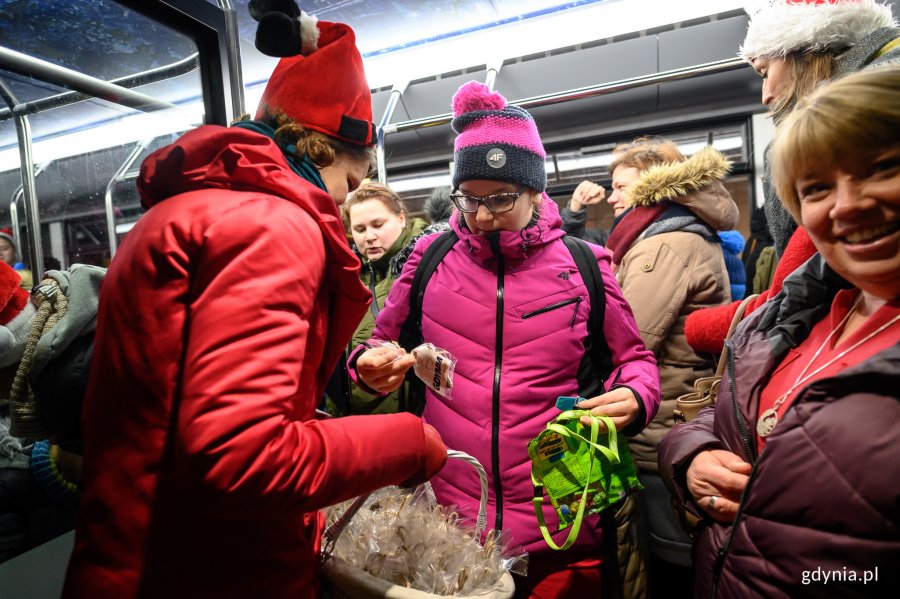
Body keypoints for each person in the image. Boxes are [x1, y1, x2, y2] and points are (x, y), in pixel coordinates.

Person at [62, 11, 447, 599]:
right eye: (350, 181)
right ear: (325, 148)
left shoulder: (185, 210)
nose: (343, 207)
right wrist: (407, 441)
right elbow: (241, 460)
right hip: (216, 569)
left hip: (139, 548)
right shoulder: (270, 226)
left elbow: (183, 409)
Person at [350, 80, 661, 598]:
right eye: (468, 200)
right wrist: (367, 365)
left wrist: (635, 396)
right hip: (454, 521)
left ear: (536, 191)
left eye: (501, 198)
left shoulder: (583, 265)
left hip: (561, 519)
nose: (484, 214)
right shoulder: (429, 261)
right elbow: (377, 343)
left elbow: (635, 361)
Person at [660, 65, 900, 598]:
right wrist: (692, 456)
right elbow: (721, 411)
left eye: (882, 168)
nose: (847, 203)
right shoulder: (796, 313)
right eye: (816, 187)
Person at [685, 0, 900, 354]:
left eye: (764, 72)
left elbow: (797, 295)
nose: (766, 95)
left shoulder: (852, 113)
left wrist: (691, 328)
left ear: (804, 50)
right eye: (816, 189)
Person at [602, 138, 737, 594]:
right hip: (677, 415)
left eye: (620, 185)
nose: (611, 196)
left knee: (669, 560)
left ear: (651, 184)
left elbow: (626, 338)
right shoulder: (679, 233)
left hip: (661, 425)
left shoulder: (664, 246)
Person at [337, 182, 430, 415]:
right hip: (357, 416)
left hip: (412, 412)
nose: (369, 237)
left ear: (401, 218)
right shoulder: (348, 277)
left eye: (378, 225)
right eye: (359, 229)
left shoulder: (426, 266)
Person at [561, 180, 609, 245]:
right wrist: (576, 203)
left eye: (621, 187)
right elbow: (569, 243)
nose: (611, 199)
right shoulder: (607, 239)